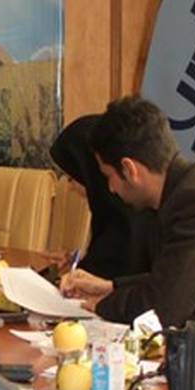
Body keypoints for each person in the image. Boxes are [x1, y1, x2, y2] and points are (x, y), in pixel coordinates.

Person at [60, 96, 195, 325]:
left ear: (129, 169)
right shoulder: (181, 190)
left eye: (109, 176)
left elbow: (163, 308)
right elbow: (171, 276)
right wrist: (111, 287)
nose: (110, 188)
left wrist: (100, 305)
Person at [49, 114, 155, 279]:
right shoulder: (117, 214)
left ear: (92, 174)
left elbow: (113, 275)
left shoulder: (129, 226)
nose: (69, 187)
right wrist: (81, 263)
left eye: (72, 177)